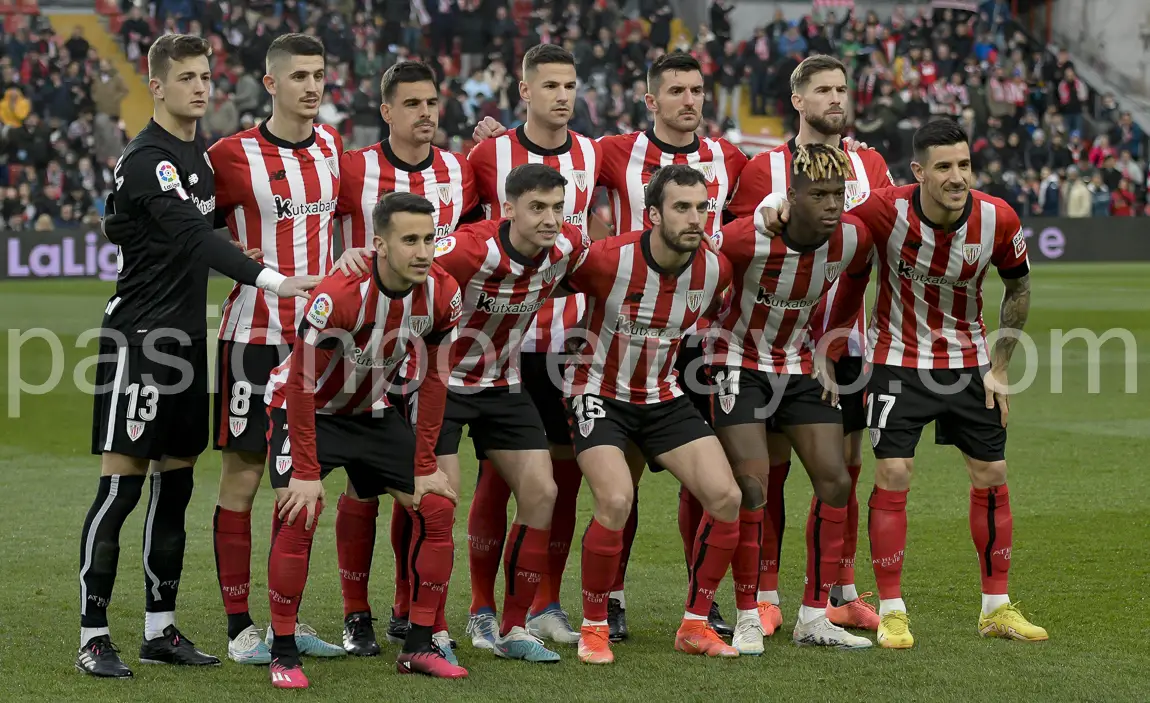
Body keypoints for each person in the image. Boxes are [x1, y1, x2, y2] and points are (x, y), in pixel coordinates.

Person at [473, 49, 749, 641]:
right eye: (675, 91)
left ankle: (698, 608)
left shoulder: (729, 158)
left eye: (697, 90)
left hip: (679, 348)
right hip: (576, 340)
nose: (689, 101)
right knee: (549, 481)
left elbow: (754, 221)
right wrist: (504, 143)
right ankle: (538, 605)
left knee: (702, 484)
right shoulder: (606, 152)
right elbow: (528, 187)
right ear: (651, 100)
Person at [77, 34, 318, 678]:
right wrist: (269, 279)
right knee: (119, 491)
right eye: (185, 78)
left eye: (205, 76)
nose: (200, 87)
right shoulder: (147, 159)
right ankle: (93, 635)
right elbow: (192, 237)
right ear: (155, 86)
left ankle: (161, 629)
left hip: (185, 342)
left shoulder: (200, 159)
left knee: (175, 489)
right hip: (140, 342)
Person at [758, 119, 1048, 649]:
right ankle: (892, 609)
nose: (957, 177)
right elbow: (832, 237)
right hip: (897, 360)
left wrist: (1000, 365)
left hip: (970, 360)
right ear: (918, 172)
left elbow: (1019, 286)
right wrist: (774, 209)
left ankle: (997, 607)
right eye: (943, 167)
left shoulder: (997, 217)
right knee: (893, 471)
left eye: (963, 165)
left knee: (992, 471)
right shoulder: (885, 209)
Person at [262, 192, 466, 688]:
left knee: (436, 505)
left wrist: (422, 462)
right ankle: (283, 653)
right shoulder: (340, 293)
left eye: (428, 239)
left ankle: (417, 647)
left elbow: (435, 382)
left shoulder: (443, 291)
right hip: (305, 409)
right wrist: (307, 472)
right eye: (409, 240)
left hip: (372, 412)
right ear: (379, 244)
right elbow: (302, 383)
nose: (422, 251)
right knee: (300, 509)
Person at [727, 54, 895, 633]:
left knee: (844, 467)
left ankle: (837, 591)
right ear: (798, 101)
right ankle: (767, 594)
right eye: (823, 89)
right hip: (772, 344)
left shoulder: (871, 165)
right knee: (769, 470)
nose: (836, 99)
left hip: (845, 346)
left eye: (842, 89)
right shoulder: (762, 170)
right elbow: (743, 252)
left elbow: (877, 252)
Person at [560, 164, 742, 665]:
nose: (694, 218)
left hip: (662, 397)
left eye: (701, 207)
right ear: (654, 213)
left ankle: (695, 624)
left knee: (727, 497)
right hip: (597, 390)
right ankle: (594, 627)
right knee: (616, 499)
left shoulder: (713, 268)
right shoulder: (604, 260)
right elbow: (543, 277)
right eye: (682, 207)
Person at [206, 32, 345, 665]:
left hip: (313, 343)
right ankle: (241, 629)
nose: (312, 87)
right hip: (250, 338)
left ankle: (285, 623)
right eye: (299, 77)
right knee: (244, 475)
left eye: (319, 75)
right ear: (271, 84)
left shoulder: (333, 146)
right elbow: (194, 236)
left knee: (301, 484)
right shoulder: (229, 156)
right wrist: (237, 260)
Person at [705, 143, 874, 654]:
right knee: (752, 485)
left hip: (799, 361)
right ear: (791, 195)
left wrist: (833, 341)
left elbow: (857, 280)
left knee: (836, 481)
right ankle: (749, 613)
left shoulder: (850, 237)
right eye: (818, 194)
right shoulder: (746, 239)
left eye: (838, 195)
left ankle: (812, 617)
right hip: (736, 358)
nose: (830, 205)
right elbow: (702, 273)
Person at [335, 58, 478, 658]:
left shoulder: (460, 170)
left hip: (431, 349)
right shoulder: (353, 168)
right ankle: (354, 614)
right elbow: (318, 219)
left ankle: (406, 609)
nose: (425, 114)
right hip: (360, 354)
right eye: (412, 103)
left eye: (432, 102)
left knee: (426, 483)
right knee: (364, 489)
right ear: (387, 110)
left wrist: (493, 135)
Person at [464, 43, 601, 649]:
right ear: (525, 91)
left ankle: (545, 603)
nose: (562, 96)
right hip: (501, 343)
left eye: (570, 85)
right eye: (550, 86)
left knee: (559, 479)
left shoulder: (597, 152)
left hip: (567, 342)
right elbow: (461, 232)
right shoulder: (487, 153)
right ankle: (479, 605)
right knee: (498, 478)